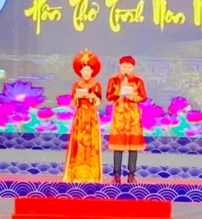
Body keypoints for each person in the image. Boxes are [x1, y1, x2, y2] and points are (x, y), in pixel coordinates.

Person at [62, 50, 103, 182]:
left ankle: (92, 175)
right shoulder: (76, 85)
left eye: (88, 70)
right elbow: (73, 103)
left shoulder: (96, 85)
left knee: (91, 144)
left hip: (91, 116)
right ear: (80, 72)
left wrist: (92, 97)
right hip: (80, 116)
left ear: (92, 71)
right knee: (79, 143)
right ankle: (76, 175)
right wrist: (76, 97)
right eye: (83, 70)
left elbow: (98, 102)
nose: (86, 73)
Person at [105, 55, 147, 183]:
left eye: (129, 67)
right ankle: (116, 175)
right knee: (118, 147)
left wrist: (132, 96)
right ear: (120, 66)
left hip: (133, 117)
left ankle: (131, 174)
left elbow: (143, 97)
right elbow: (109, 96)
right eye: (124, 67)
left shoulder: (138, 80)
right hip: (119, 116)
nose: (126, 70)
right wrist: (119, 91)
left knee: (133, 147)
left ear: (133, 67)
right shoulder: (113, 79)